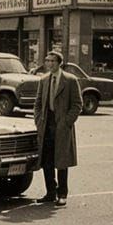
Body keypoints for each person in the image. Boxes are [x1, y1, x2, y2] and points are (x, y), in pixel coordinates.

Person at [33, 50, 81, 206]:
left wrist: (67, 122)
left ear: (60, 63)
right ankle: (50, 192)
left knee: (61, 161)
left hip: (61, 125)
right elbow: (38, 103)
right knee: (47, 160)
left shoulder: (70, 80)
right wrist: (39, 120)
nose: (49, 64)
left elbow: (77, 104)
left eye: (52, 61)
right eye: (47, 61)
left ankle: (62, 194)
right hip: (46, 124)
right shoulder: (44, 80)